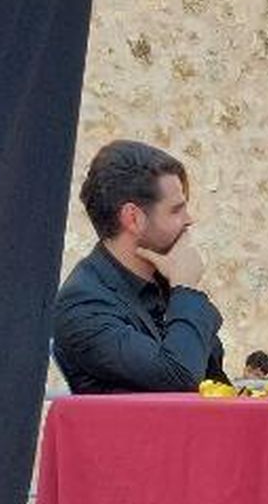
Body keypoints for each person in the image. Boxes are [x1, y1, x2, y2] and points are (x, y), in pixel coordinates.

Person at [52, 140, 228, 394]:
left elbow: (213, 381)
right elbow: (180, 377)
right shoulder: (83, 305)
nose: (189, 220)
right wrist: (186, 288)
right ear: (133, 218)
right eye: (176, 210)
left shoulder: (164, 285)